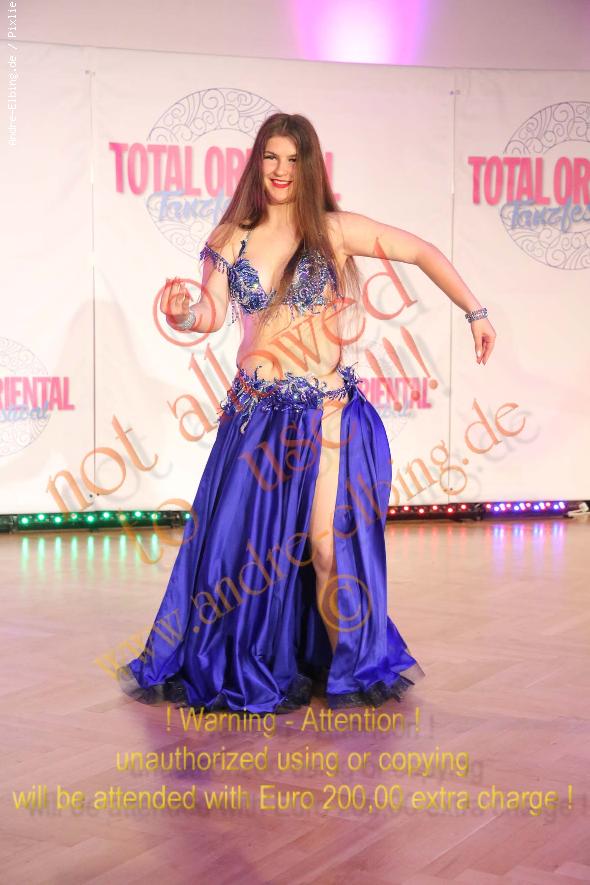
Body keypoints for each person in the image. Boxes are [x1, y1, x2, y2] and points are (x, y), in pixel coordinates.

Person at [117, 112, 496, 715]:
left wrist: (475, 312)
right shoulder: (231, 237)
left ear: (309, 166)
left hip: (328, 414)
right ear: (257, 162)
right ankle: (254, 661)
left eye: (293, 160)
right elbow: (209, 315)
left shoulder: (332, 231)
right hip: (258, 420)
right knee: (244, 559)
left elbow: (420, 251)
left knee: (325, 550)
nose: (281, 170)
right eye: (271, 157)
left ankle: (349, 669)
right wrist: (180, 313)